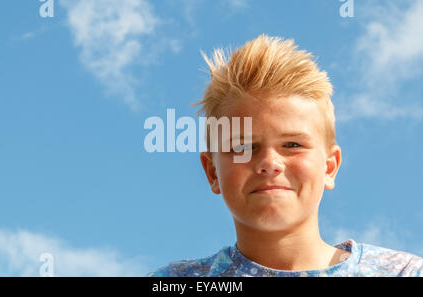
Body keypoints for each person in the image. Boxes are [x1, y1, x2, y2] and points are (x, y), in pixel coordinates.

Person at [147, 34, 423, 277]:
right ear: (212, 172)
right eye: (242, 147)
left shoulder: (403, 272)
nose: (269, 163)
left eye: (292, 144)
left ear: (329, 167)